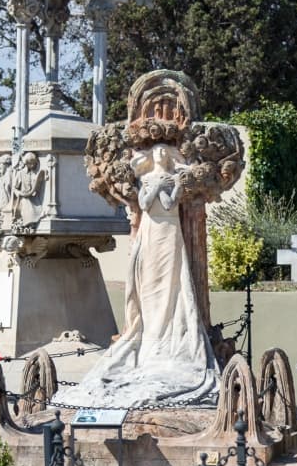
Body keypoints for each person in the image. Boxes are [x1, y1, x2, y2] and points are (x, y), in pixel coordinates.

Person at [54, 142, 218, 407]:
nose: (161, 154)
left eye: (165, 152)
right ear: (152, 158)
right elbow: (143, 203)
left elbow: (169, 204)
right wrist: (152, 187)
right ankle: (149, 332)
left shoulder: (171, 177)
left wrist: (173, 185)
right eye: (157, 152)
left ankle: (168, 335)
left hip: (170, 230)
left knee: (173, 280)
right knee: (149, 282)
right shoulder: (148, 178)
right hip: (150, 232)